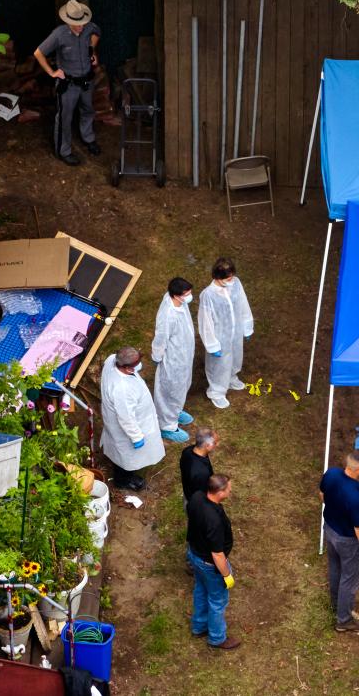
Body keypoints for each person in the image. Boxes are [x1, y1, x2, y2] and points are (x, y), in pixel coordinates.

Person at [33, 0, 101, 166]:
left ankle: (88, 138)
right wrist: (52, 72)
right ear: (68, 21)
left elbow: (96, 33)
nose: (81, 27)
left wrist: (92, 51)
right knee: (65, 117)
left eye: (82, 24)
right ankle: (64, 151)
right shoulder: (59, 34)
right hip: (68, 84)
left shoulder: (88, 26)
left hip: (86, 80)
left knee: (88, 109)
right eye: (77, 25)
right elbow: (38, 53)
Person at [320, 449, 359, 633]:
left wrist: (335, 508)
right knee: (350, 579)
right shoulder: (356, 497)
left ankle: (336, 603)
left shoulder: (331, 474)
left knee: (335, 567)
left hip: (329, 530)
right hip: (347, 541)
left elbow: (322, 495)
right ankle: (344, 620)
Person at [186, 474, 240, 650]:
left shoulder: (196, 497)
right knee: (217, 600)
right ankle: (217, 638)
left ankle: (199, 626)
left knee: (201, 590)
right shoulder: (214, 520)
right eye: (228, 489)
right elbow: (217, 555)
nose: (230, 491)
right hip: (210, 564)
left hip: (194, 554)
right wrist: (227, 575)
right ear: (219, 492)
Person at [99, 347, 165, 490]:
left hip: (115, 419)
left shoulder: (112, 359)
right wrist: (136, 437)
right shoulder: (122, 389)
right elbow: (126, 418)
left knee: (120, 451)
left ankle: (124, 473)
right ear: (127, 368)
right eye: (134, 365)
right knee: (126, 456)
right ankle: (123, 480)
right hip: (126, 428)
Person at [198, 258, 253, 409]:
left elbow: (243, 303)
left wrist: (247, 326)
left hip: (235, 332)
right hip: (220, 335)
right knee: (220, 364)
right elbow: (205, 321)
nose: (231, 280)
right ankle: (216, 391)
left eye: (232, 277)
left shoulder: (235, 283)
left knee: (236, 355)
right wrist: (212, 344)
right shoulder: (208, 295)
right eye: (228, 278)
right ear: (217, 277)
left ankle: (231, 377)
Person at [152, 277, 196, 442]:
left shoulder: (179, 303)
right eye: (187, 293)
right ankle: (167, 426)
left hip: (184, 354)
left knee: (182, 385)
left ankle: (176, 411)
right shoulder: (168, 315)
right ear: (176, 295)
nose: (190, 296)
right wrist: (157, 355)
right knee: (170, 390)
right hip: (173, 359)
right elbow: (161, 337)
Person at [180, 427, 219, 505]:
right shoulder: (201, 473)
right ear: (207, 446)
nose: (218, 444)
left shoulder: (188, 450)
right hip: (195, 502)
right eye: (215, 443)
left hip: (188, 489)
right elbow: (201, 497)